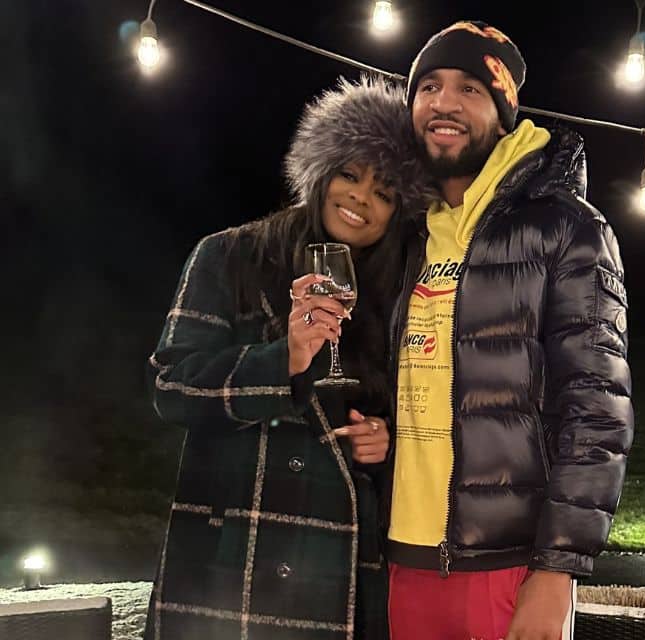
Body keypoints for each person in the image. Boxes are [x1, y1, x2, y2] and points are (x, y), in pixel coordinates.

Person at [143, 76, 433, 640]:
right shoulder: (229, 256)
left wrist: (384, 439)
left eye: (384, 192)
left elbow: (395, 415)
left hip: (339, 564)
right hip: (234, 560)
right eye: (350, 175)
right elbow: (171, 387)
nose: (360, 199)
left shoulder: (398, 294)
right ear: (321, 173)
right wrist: (284, 360)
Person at [385, 21, 635, 640]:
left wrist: (558, 569)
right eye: (429, 87)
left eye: (470, 89)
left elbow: (597, 411)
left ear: (502, 112)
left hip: (509, 565)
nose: (444, 103)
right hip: (400, 557)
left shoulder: (568, 227)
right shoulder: (403, 229)